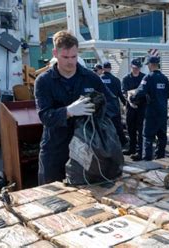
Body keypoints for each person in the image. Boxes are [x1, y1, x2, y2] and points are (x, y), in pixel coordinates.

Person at [34, 30, 118, 185]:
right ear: (55, 53)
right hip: (56, 149)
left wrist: (97, 113)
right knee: (51, 193)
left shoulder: (91, 78)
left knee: (85, 194)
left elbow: (112, 104)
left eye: (74, 56)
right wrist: (68, 111)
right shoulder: (44, 82)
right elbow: (45, 116)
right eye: (65, 57)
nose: (70, 62)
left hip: (86, 147)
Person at [128, 56, 169, 161]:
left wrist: (132, 97)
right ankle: (161, 159)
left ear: (150, 65)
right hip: (163, 112)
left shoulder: (148, 77)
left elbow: (140, 92)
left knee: (147, 137)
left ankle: (147, 161)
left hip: (152, 112)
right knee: (162, 137)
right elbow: (168, 94)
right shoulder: (164, 78)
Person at [121, 59, 146, 160]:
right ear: (131, 67)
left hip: (141, 107)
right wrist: (130, 99)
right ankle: (132, 148)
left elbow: (145, 90)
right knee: (130, 128)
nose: (136, 70)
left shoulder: (144, 77)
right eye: (134, 68)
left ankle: (140, 150)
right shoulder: (126, 78)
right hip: (130, 107)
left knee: (140, 130)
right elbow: (124, 92)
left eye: (138, 68)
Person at [101, 61, 128, 147]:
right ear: (110, 68)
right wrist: (125, 104)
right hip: (114, 106)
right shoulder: (116, 80)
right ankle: (122, 141)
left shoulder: (98, 79)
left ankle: (105, 143)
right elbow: (120, 94)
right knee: (117, 125)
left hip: (102, 107)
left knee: (103, 125)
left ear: (103, 68)